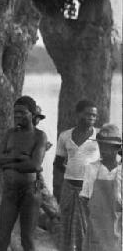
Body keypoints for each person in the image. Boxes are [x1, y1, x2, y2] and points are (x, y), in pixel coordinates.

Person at [0, 96, 48, 251]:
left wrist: (7, 165)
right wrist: (16, 157)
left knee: (27, 239)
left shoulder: (39, 136)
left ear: (33, 114)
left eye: (22, 112)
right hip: (9, 192)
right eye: (15, 112)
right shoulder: (10, 133)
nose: (17, 116)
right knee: (2, 238)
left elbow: (35, 165)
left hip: (30, 192)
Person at [54, 100, 99, 251]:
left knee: (87, 226)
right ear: (78, 113)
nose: (92, 118)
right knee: (66, 224)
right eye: (88, 114)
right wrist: (70, 171)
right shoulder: (65, 136)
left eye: (94, 115)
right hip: (69, 188)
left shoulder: (100, 135)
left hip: (90, 190)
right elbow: (58, 162)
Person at [80, 123, 122, 251]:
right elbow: (84, 199)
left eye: (108, 147)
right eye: (101, 145)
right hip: (95, 229)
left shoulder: (120, 172)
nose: (103, 150)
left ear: (117, 148)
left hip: (117, 229)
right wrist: (91, 224)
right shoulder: (92, 168)